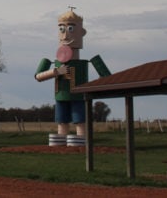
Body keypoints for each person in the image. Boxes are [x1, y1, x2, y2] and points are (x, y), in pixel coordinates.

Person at [35, 8, 110, 146]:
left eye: (70, 28)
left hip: (79, 95)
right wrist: (56, 72)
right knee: (62, 119)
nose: (65, 35)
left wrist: (95, 86)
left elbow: (107, 76)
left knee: (80, 118)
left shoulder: (83, 63)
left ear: (81, 33)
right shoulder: (54, 63)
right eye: (61, 29)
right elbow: (38, 76)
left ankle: (80, 141)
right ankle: (61, 140)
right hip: (61, 94)